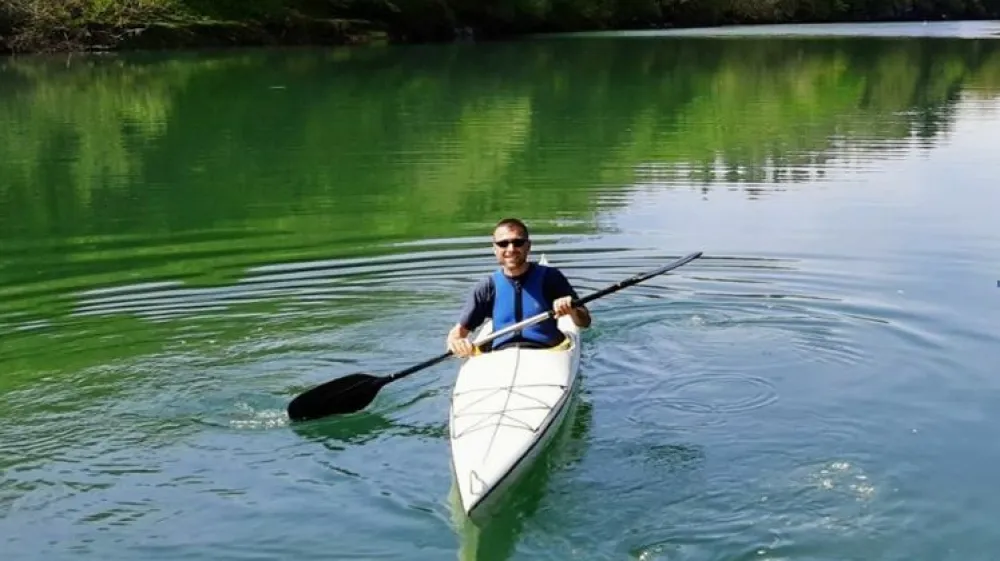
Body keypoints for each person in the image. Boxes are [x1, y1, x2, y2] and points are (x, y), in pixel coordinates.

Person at [446, 218, 591, 358]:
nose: (511, 249)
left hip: (548, 353)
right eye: (503, 244)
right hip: (499, 357)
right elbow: (457, 333)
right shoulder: (486, 287)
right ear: (494, 249)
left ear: (528, 246)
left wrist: (572, 310)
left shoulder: (550, 277)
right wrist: (456, 343)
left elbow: (584, 322)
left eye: (518, 242)